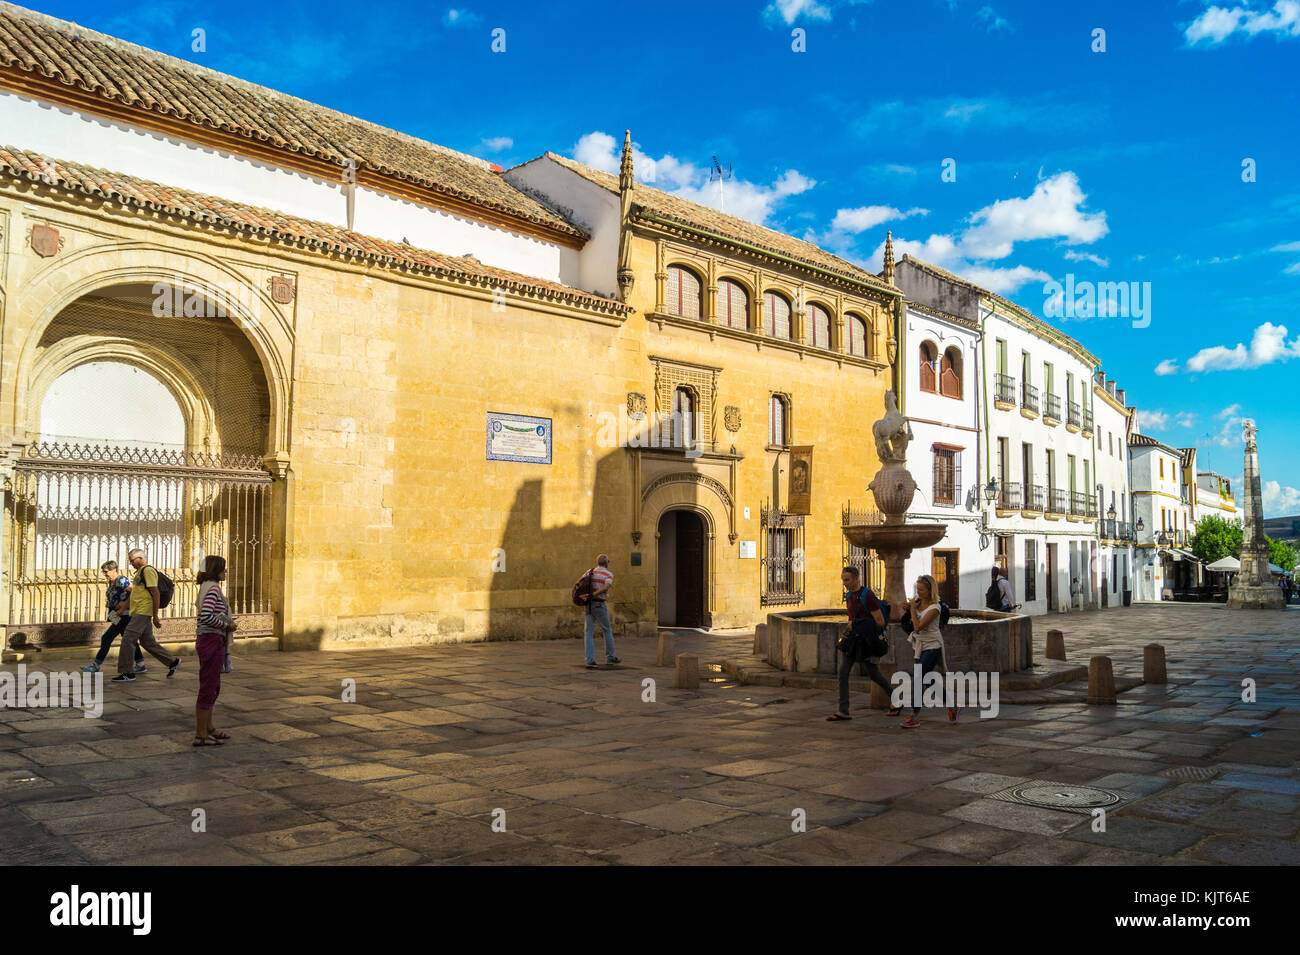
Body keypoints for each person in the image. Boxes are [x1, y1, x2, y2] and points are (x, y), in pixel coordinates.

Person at [827, 566, 895, 721]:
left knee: (874, 674)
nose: (844, 583)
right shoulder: (850, 595)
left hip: (866, 641)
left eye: (847, 580)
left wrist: (860, 624)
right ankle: (843, 710)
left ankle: (896, 700)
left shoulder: (868, 595)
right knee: (843, 672)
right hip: (854, 640)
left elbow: (880, 621)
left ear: (857, 578)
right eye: (843, 579)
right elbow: (851, 618)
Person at [112, 548, 181, 683]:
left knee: (127, 639)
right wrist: (124, 607)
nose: (131, 563)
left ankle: (127, 672)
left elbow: (155, 593)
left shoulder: (148, 571)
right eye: (130, 561)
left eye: (132, 560)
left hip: (143, 612)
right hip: (138, 611)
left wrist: (155, 615)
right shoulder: (139, 573)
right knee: (147, 642)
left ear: (141, 558)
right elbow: (136, 594)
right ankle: (172, 661)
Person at [901, 574, 958, 728]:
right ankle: (952, 704)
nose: (918, 592)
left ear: (930, 590)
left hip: (933, 646)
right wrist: (908, 608)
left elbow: (918, 626)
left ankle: (914, 715)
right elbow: (912, 619)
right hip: (920, 646)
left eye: (921, 590)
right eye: (917, 589)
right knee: (928, 680)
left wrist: (912, 609)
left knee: (919, 678)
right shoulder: (918, 604)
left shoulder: (935, 608)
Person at [194, 555, 237, 746]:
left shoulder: (207, 586)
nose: (226, 571)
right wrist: (226, 626)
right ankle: (200, 734)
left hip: (210, 640)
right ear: (216, 569)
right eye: (223, 568)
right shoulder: (212, 588)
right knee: (208, 687)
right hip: (211, 639)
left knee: (213, 685)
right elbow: (206, 616)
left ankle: (209, 728)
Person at [82, 560, 145, 674]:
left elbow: (134, 592)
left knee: (106, 638)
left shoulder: (121, 580)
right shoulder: (112, 582)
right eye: (103, 572)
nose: (104, 574)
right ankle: (140, 664)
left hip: (123, 615)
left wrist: (123, 604)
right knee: (128, 639)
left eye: (106, 572)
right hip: (116, 614)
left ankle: (96, 665)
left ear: (114, 570)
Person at [582, 554, 620, 669]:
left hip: (588, 604)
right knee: (607, 630)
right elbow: (606, 587)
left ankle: (589, 659)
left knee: (588, 632)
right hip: (599, 603)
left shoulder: (589, 571)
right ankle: (610, 656)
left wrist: (587, 595)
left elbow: (581, 583)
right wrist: (594, 594)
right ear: (606, 563)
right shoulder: (608, 574)